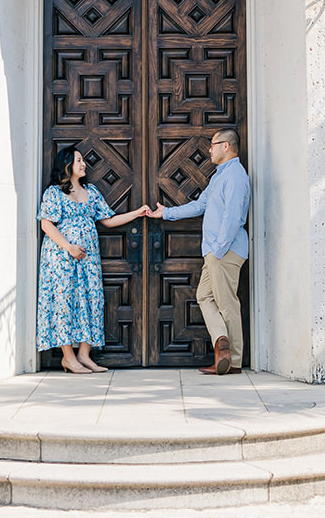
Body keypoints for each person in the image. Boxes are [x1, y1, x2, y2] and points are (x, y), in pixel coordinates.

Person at [140, 127, 249, 375]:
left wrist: (218, 250)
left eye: (213, 144)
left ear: (226, 146)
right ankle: (222, 341)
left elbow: (232, 218)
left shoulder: (235, 177)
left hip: (225, 251)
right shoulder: (219, 176)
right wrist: (165, 213)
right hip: (216, 252)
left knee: (227, 303)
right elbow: (200, 205)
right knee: (205, 296)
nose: (209, 149)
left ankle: (233, 361)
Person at [38, 146, 146, 374]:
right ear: (67, 164)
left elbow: (108, 220)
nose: (83, 164)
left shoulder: (92, 191)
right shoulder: (54, 193)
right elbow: (46, 224)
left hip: (88, 259)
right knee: (63, 303)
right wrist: (69, 247)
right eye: (78, 160)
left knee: (92, 300)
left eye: (83, 160)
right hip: (61, 258)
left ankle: (84, 355)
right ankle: (68, 357)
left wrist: (137, 213)